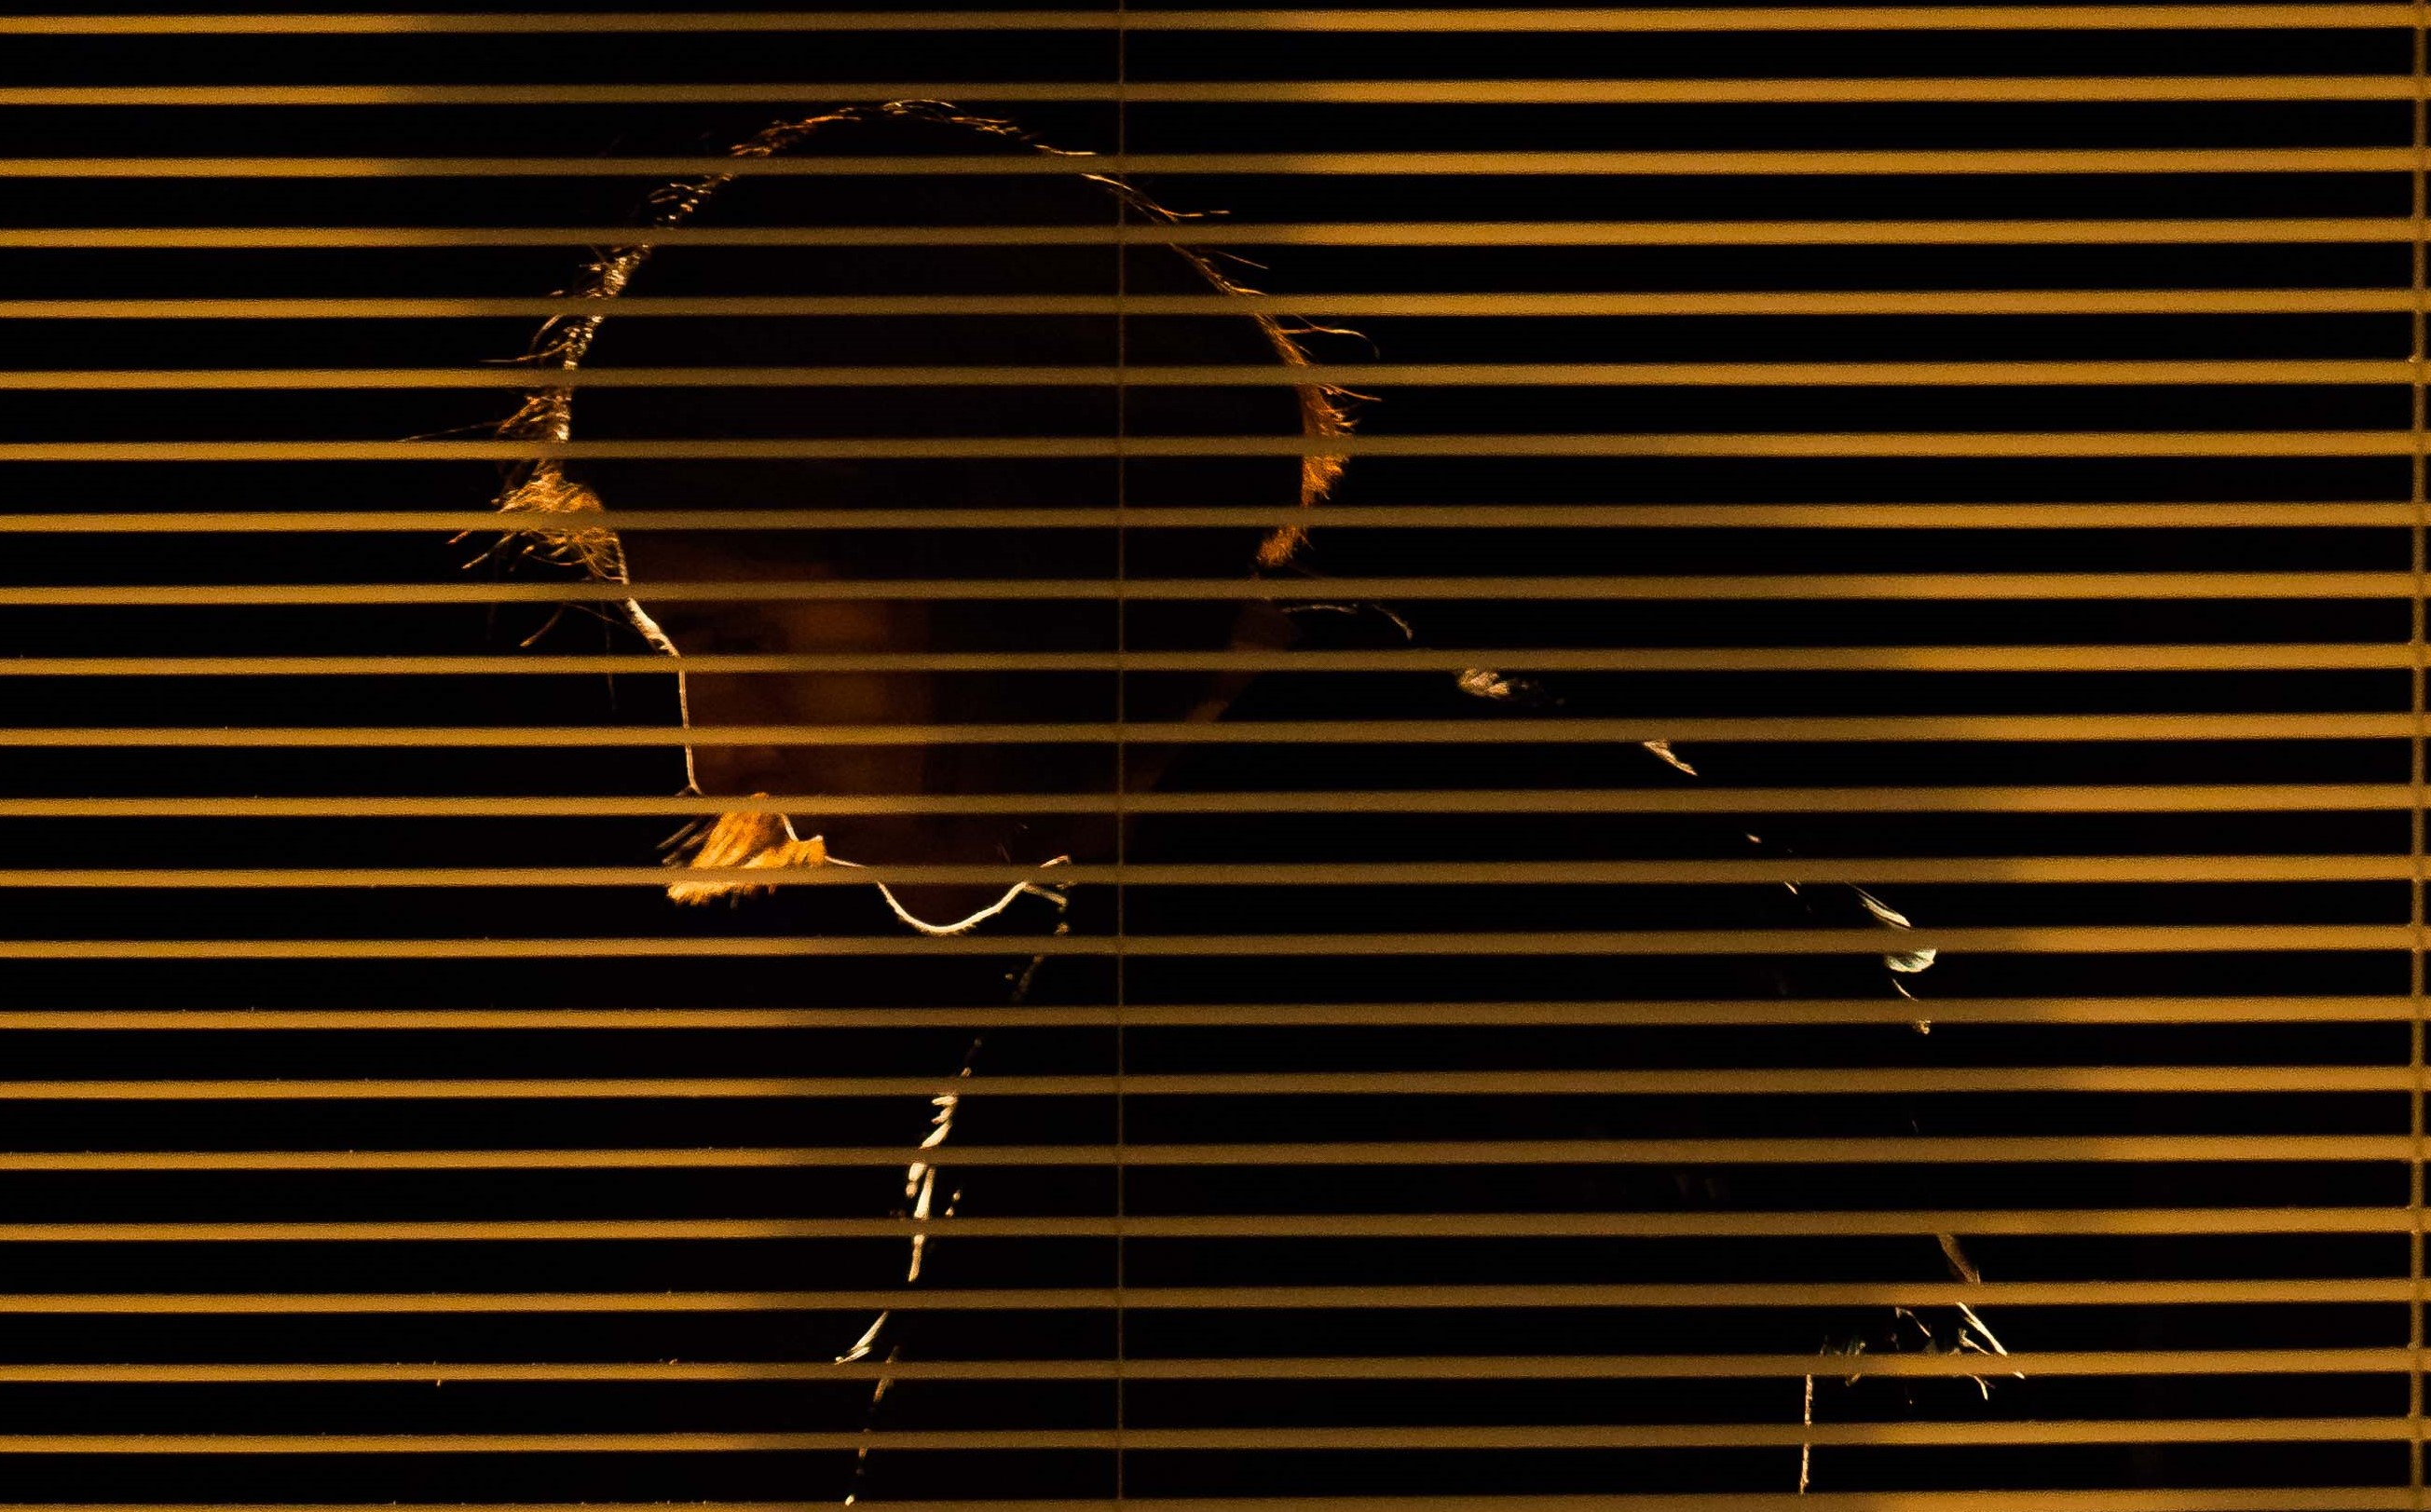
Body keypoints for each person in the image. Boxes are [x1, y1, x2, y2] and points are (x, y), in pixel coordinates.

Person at [474, 101, 1986, 1504]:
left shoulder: (1290, 1038)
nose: (715, 761)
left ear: (998, 546)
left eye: (752, 639)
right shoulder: (1536, 879)